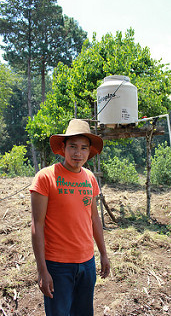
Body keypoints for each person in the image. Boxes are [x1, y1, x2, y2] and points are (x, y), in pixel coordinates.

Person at [30, 119, 110, 316]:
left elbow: (94, 219)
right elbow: (37, 225)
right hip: (57, 265)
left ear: (89, 151)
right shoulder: (46, 177)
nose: (78, 153)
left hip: (87, 263)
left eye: (83, 148)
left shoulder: (90, 178)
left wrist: (103, 253)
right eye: (73, 147)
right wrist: (42, 270)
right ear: (63, 148)